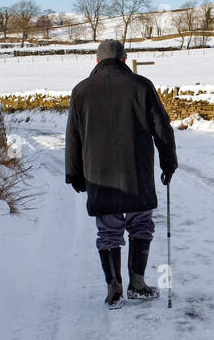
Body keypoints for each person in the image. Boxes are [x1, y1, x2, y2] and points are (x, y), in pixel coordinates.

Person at [65, 39, 177, 305]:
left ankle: (114, 288)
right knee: (140, 225)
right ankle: (137, 282)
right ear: (125, 60)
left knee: (108, 230)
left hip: (99, 174)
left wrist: (75, 174)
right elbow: (162, 127)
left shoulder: (81, 91)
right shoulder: (141, 86)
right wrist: (168, 162)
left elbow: (73, 136)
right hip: (136, 171)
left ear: (97, 61)